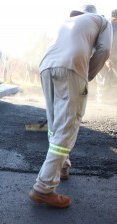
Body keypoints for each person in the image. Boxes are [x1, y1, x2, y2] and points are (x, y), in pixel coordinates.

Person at [28, 4, 112, 208]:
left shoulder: (69, 21)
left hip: (46, 65)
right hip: (72, 67)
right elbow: (105, 49)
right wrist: (87, 76)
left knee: (56, 123)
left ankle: (63, 166)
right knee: (67, 127)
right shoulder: (102, 20)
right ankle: (44, 187)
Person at [96, 9, 117, 95]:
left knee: (116, 79)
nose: (116, 21)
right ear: (111, 18)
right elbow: (100, 46)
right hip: (104, 58)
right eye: (114, 19)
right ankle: (102, 100)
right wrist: (106, 60)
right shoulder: (105, 29)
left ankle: (111, 97)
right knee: (103, 81)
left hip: (116, 59)